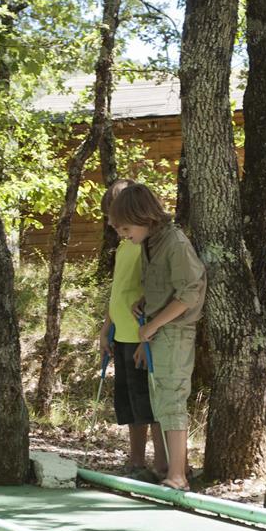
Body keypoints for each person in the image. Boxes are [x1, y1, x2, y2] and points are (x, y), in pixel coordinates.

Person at [109, 182, 206, 491]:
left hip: (174, 333)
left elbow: (189, 294)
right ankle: (168, 469)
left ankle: (178, 476)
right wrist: (144, 306)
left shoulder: (174, 242)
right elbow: (162, 288)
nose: (123, 235)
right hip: (159, 332)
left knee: (172, 398)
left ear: (143, 216)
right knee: (160, 400)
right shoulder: (152, 241)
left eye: (125, 228)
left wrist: (151, 326)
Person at [99, 179, 169, 484]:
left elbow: (155, 289)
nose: (114, 226)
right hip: (121, 335)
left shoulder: (147, 246)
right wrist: (106, 329)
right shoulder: (124, 248)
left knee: (150, 403)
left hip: (143, 336)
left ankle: (163, 465)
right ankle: (136, 460)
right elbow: (117, 293)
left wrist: (149, 335)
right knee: (129, 404)